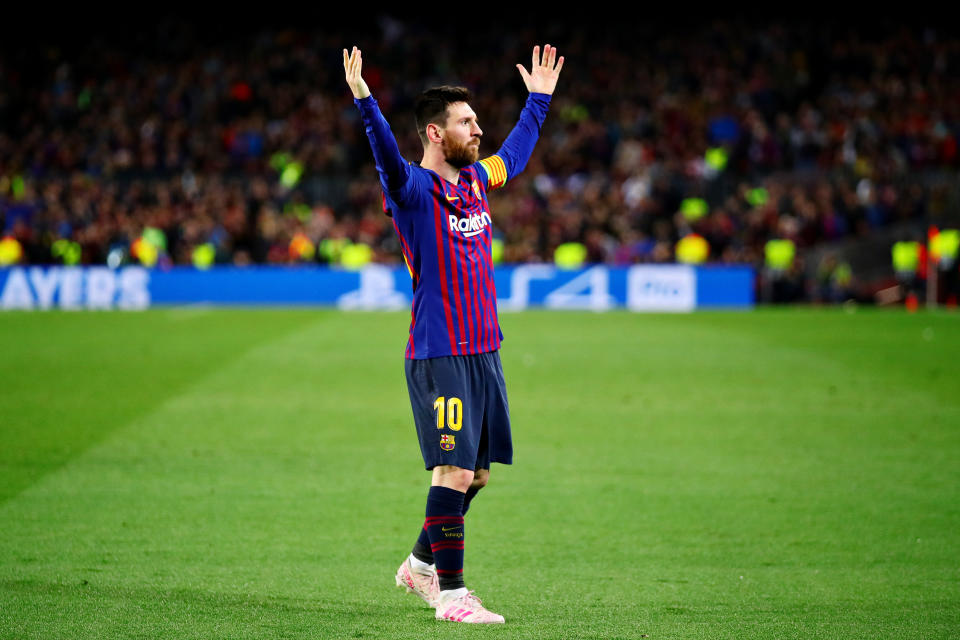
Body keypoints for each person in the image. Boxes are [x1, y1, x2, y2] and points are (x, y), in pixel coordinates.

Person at [343, 43, 563, 624]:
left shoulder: (476, 182)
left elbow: (513, 155)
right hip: (441, 351)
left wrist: (538, 100)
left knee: (479, 474)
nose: (479, 129)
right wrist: (366, 102)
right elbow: (387, 156)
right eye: (467, 122)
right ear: (437, 134)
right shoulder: (414, 191)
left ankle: (419, 563)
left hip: (484, 349)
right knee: (454, 471)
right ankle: (452, 595)